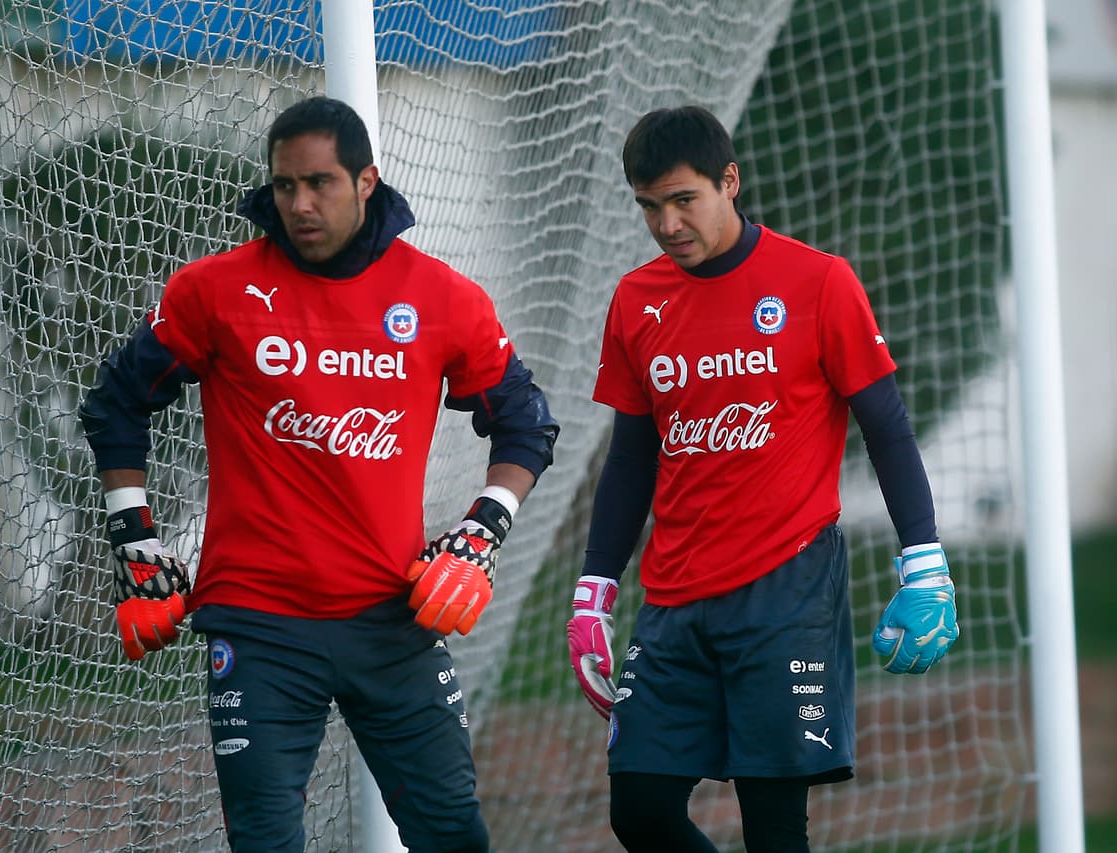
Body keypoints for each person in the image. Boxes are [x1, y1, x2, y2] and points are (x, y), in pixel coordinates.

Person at [79, 95, 558, 853]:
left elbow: (527, 422)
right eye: (284, 185)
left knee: (455, 836)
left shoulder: (443, 299)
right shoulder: (214, 291)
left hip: (393, 618)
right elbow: (114, 406)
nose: (299, 204)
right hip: (259, 624)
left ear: (367, 182)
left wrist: (481, 532)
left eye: (320, 183)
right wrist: (134, 536)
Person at [565, 105, 958, 852]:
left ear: (730, 181)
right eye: (650, 206)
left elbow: (887, 425)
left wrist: (925, 560)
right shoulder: (636, 300)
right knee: (639, 809)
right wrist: (595, 588)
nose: (667, 223)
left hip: (787, 588)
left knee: (774, 829)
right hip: (673, 597)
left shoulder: (818, 281)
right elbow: (629, 458)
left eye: (684, 200)